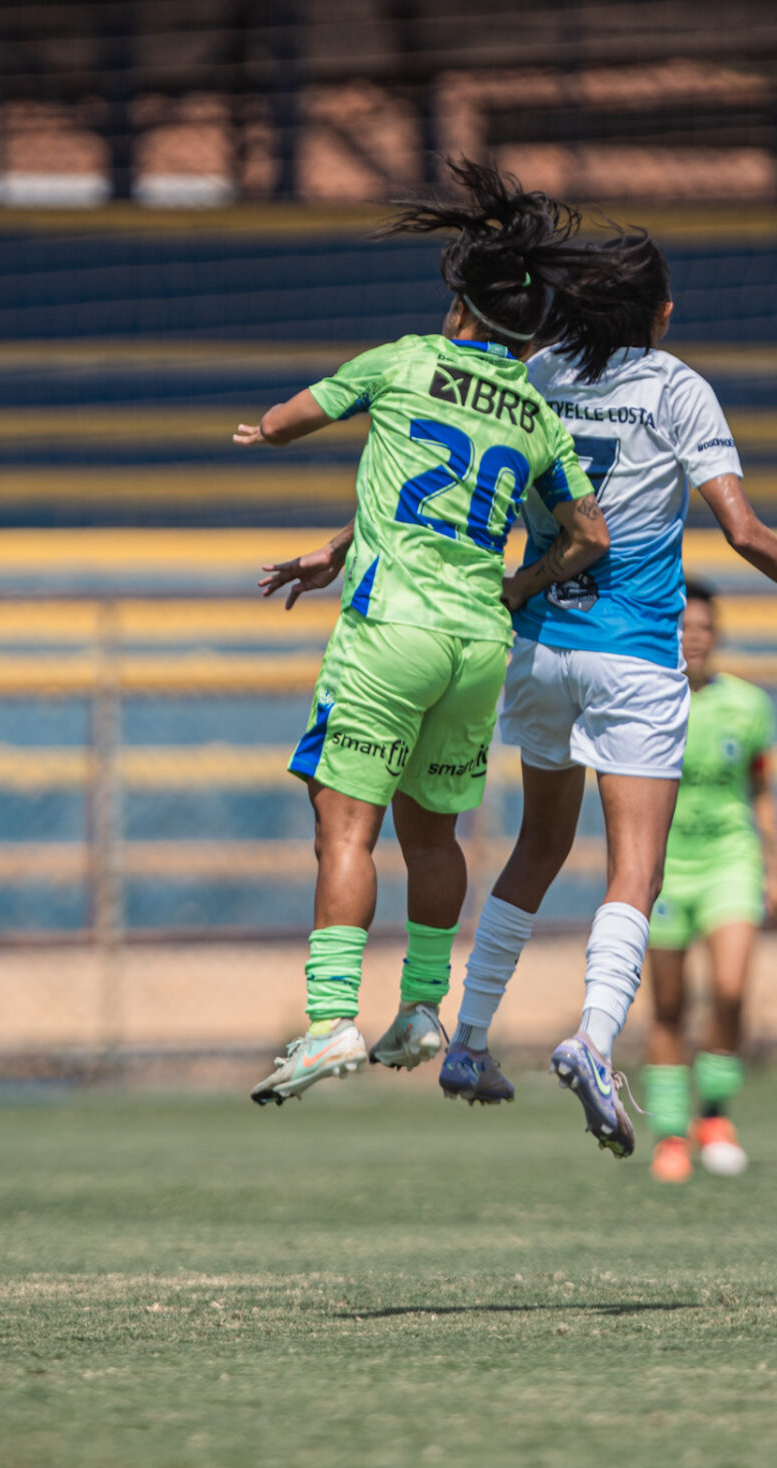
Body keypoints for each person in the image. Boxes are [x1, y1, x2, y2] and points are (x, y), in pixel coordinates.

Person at [445, 230, 777, 1158]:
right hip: (634, 656)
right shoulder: (678, 389)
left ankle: (468, 1039)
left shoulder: (541, 372)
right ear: (662, 315)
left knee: (538, 846)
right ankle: (593, 1041)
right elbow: (743, 533)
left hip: (541, 645)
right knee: (636, 869)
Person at [239, 161, 606, 1106]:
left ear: (461, 312)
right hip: (480, 641)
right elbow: (588, 535)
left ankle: (328, 1025)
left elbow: (288, 423)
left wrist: (266, 432)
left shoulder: (403, 360)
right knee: (431, 830)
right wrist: (520, 583)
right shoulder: (535, 416)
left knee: (343, 825)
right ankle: (423, 1010)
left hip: (389, 628)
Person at [643, 581, 777, 1182]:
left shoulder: (748, 706)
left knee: (729, 989)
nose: (692, 638)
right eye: (682, 628)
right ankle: (670, 1135)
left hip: (730, 859)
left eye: (702, 629)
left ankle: (717, 1117)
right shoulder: (645, 700)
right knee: (669, 1005)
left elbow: (763, 791)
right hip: (665, 869)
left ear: (717, 636)